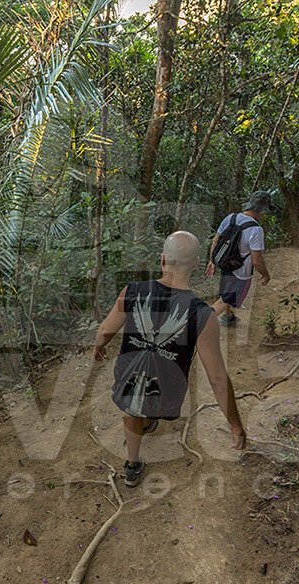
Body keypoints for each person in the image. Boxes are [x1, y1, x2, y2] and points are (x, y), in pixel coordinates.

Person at [93, 231, 247, 487]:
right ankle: (150, 418)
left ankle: (132, 464)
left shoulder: (132, 291)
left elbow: (104, 331)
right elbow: (217, 378)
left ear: (163, 260)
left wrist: (99, 347)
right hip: (168, 387)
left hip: (129, 376)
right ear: (196, 264)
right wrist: (235, 425)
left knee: (134, 399)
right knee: (149, 388)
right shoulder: (202, 315)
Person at [205, 191, 272, 325]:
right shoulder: (256, 230)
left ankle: (228, 317)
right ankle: (198, 323)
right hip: (240, 272)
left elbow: (215, 241)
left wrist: (213, 261)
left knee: (227, 294)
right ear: (261, 211)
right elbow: (256, 261)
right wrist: (266, 275)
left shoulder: (231, 218)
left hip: (225, 264)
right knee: (226, 299)